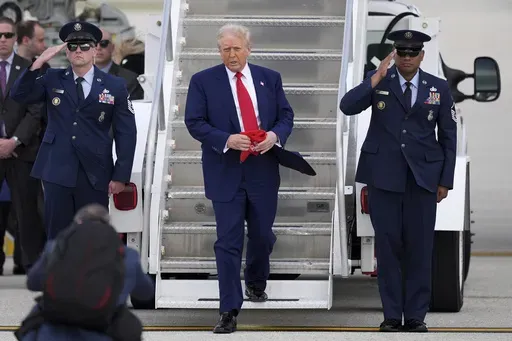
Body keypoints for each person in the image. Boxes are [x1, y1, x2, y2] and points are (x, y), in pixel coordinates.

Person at [185, 23, 315, 334]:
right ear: (219, 51)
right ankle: (229, 310)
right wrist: (227, 139)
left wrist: (275, 136)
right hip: (225, 171)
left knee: (260, 234)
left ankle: (256, 281)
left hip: (262, 169)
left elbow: (286, 116)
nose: (231, 54)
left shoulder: (269, 79)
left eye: (236, 48)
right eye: (225, 49)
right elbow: (194, 122)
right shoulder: (203, 81)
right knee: (227, 241)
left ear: (248, 48)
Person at [339, 30, 457, 332]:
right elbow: (347, 106)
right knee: (388, 248)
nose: (406, 58)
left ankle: (416, 316)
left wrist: (445, 180)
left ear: (421, 56)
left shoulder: (438, 87)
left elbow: (448, 137)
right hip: (384, 178)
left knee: (420, 248)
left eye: (412, 53)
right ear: (394, 54)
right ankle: (392, 315)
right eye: (401, 53)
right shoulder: (380, 81)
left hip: (422, 180)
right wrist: (375, 78)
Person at [10, 21, 138, 240]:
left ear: (95, 49)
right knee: (57, 236)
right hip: (57, 170)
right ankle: (59, 276)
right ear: (66, 51)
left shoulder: (114, 85)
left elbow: (126, 133)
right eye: (72, 46)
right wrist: (37, 63)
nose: (78, 50)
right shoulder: (52, 78)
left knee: (94, 236)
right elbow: (19, 95)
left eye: (85, 45)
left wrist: (121, 176)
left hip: (95, 172)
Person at [15, 203, 155, 341]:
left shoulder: (55, 247)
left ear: (77, 223)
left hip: (53, 330)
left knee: (34, 317)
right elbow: (146, 293)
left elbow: (33, 283)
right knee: (132, 326)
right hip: (103, 330)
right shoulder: (126, 255)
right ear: (108, 225)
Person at [0, 16, 46, 272]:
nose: (3, 40)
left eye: (8, 35)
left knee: (27, 209)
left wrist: (14, 140)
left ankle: (30, 263)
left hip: (22, 150)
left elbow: (36, 109)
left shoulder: (29, 67)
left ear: (16, 38)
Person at [95, 28, 144, 100]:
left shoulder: (129, 80)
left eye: (104, 43)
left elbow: (130, 106)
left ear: (112, 47)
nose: (98, 48)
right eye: (94, 44)